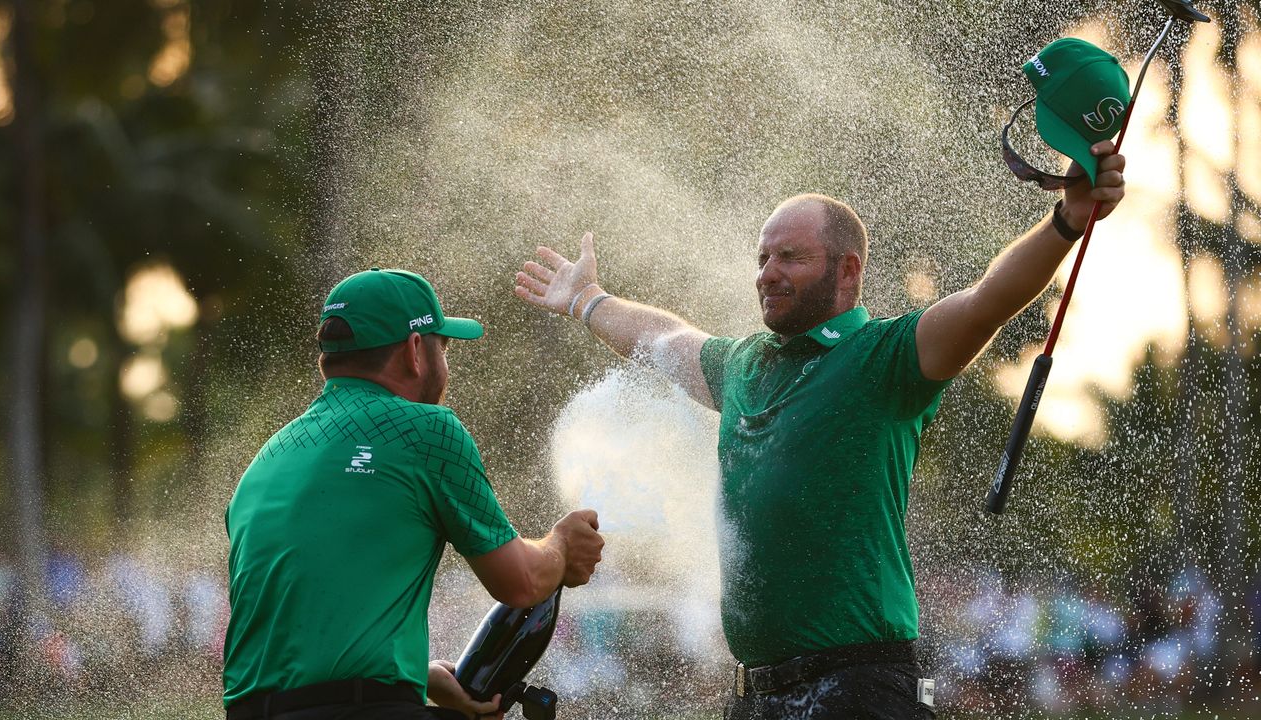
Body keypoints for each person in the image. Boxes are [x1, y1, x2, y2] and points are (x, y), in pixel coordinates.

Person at [514, 136, 1126, 718]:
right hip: (756, 693)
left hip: (858, 686)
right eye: (762, 257)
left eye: (790, 256)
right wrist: (586, 297)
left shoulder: (883, 358)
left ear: (847, 271)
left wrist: (1067, 220)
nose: (767, 272)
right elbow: (662, 337)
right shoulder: (745, 365)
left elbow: (988, 298)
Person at [223, 268, 605, 720]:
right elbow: (521, 583)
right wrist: (561, 546)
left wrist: (418, 674)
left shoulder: (268, 459)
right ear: (414, 350)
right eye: (444, 348)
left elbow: (304, 616)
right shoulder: (427, 431)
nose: (446, 365)